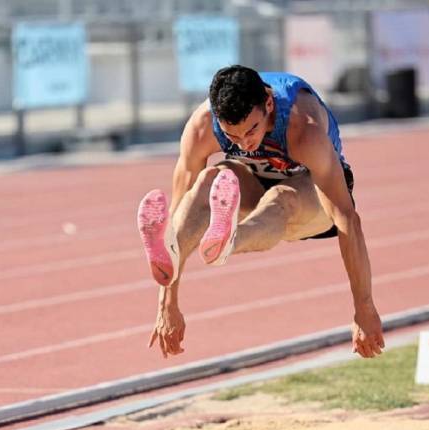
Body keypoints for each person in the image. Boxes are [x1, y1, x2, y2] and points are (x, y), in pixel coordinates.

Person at [137, 65, 384, 360]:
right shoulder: (203, 125)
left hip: (311, 198)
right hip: (251, 182)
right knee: (206, 182)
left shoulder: (303, 127)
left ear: (268, 104)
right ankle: (222, 235)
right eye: (233, 136)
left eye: (251, 130)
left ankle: (231, 239)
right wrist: (168, 303)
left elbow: (347, 218)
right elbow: (180, 206)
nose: (245, 143)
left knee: (281, 198)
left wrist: (364, 308)